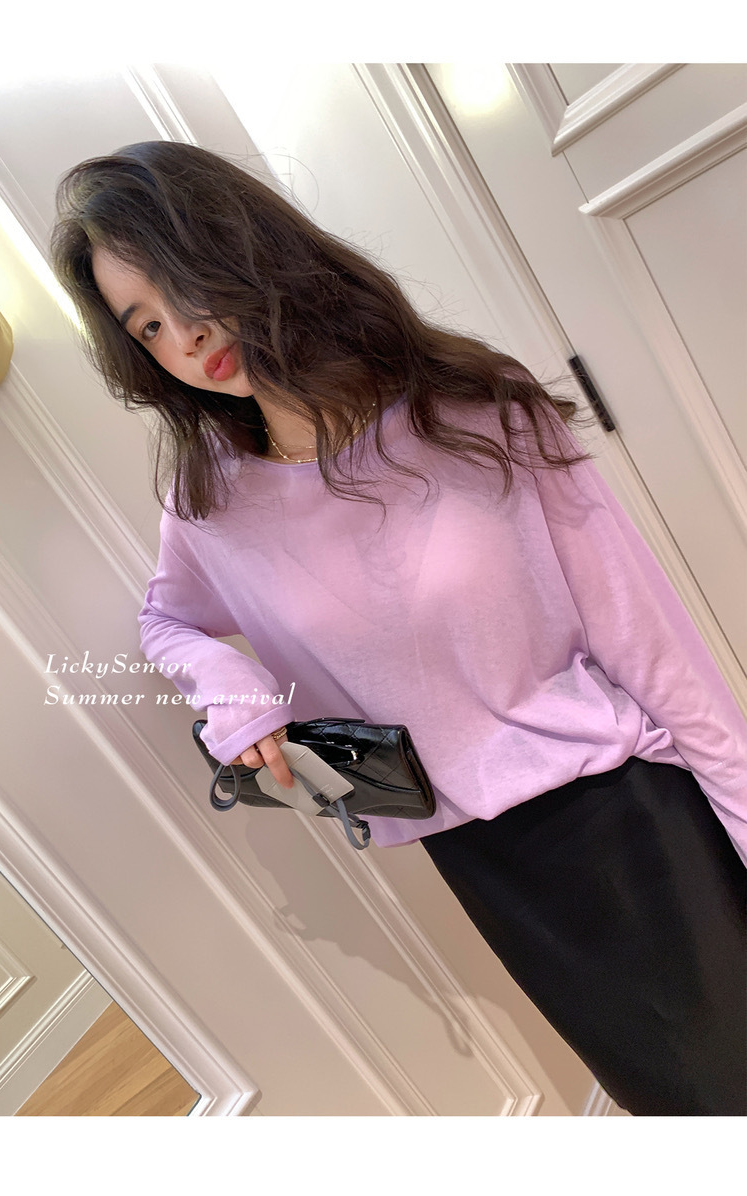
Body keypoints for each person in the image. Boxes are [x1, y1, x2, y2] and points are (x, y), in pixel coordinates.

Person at [51, 139, 747, 1117]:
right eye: (149, 325)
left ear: (243, 246)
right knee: (672, 1104)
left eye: (182, 284)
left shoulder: (473, 411)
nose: (187, 335)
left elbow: (653, 644)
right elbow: (166, 620)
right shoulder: (210, 501)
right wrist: (232, 690)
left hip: (625, 812)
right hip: (481, 858)